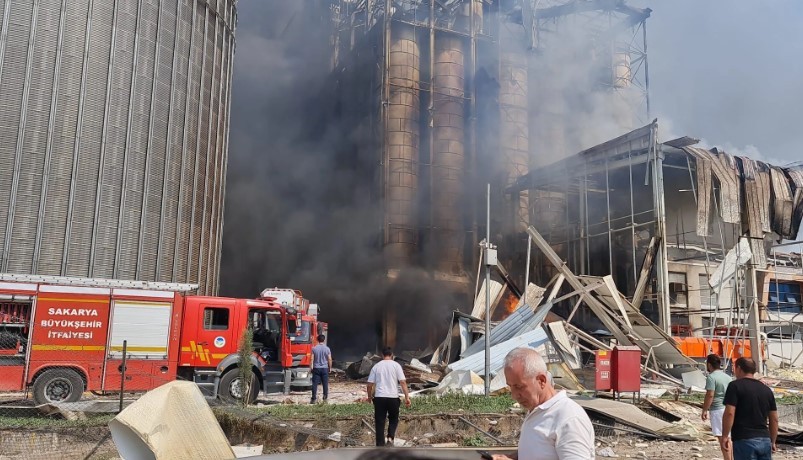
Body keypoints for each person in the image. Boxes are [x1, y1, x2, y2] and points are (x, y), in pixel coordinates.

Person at [492, 347, 594, 460]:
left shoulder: (569, 418)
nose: (514, 395)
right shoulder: (537, 410)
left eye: (519, 386)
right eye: (511, 387)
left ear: (541, 380)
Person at [721, 357, 778, 460]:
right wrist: (773, 441)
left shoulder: (735, 386)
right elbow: (774, 419)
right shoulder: (766, 390)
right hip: (764, 440)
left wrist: (725, 436)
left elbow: (730, 413)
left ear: (738, 368)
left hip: (744, 439)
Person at [367, 347, 411, 447]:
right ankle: (390, 438)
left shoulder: (376, 366)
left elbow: (369, 385)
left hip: (379, 398)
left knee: (380, 420)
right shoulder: (396, 366)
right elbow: (403, 382)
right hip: (393, 397)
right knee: (394, 418)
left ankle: (380, 444)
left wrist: (369, 397)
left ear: (382, 355)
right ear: (392, 355)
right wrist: (407, 397)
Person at [702, 354, 733, 460]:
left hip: (717, 409)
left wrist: (705, 409)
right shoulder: (728, 377)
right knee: (728, 437)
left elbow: (710, 394)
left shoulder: (711, 377)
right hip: (729, 408)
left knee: (722, 438)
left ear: (709, 365)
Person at [310, 334, 332, 404]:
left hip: (316, 368)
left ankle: (313, 399)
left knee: (314, 384)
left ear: (317, 340)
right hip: (324, 368)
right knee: (325, 384)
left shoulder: (314, 348)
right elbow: (329, 359)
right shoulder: (327, 349)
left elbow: (312, 358)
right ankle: (325, 399)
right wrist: (330, 367)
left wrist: (311, 367)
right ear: (324, 340)